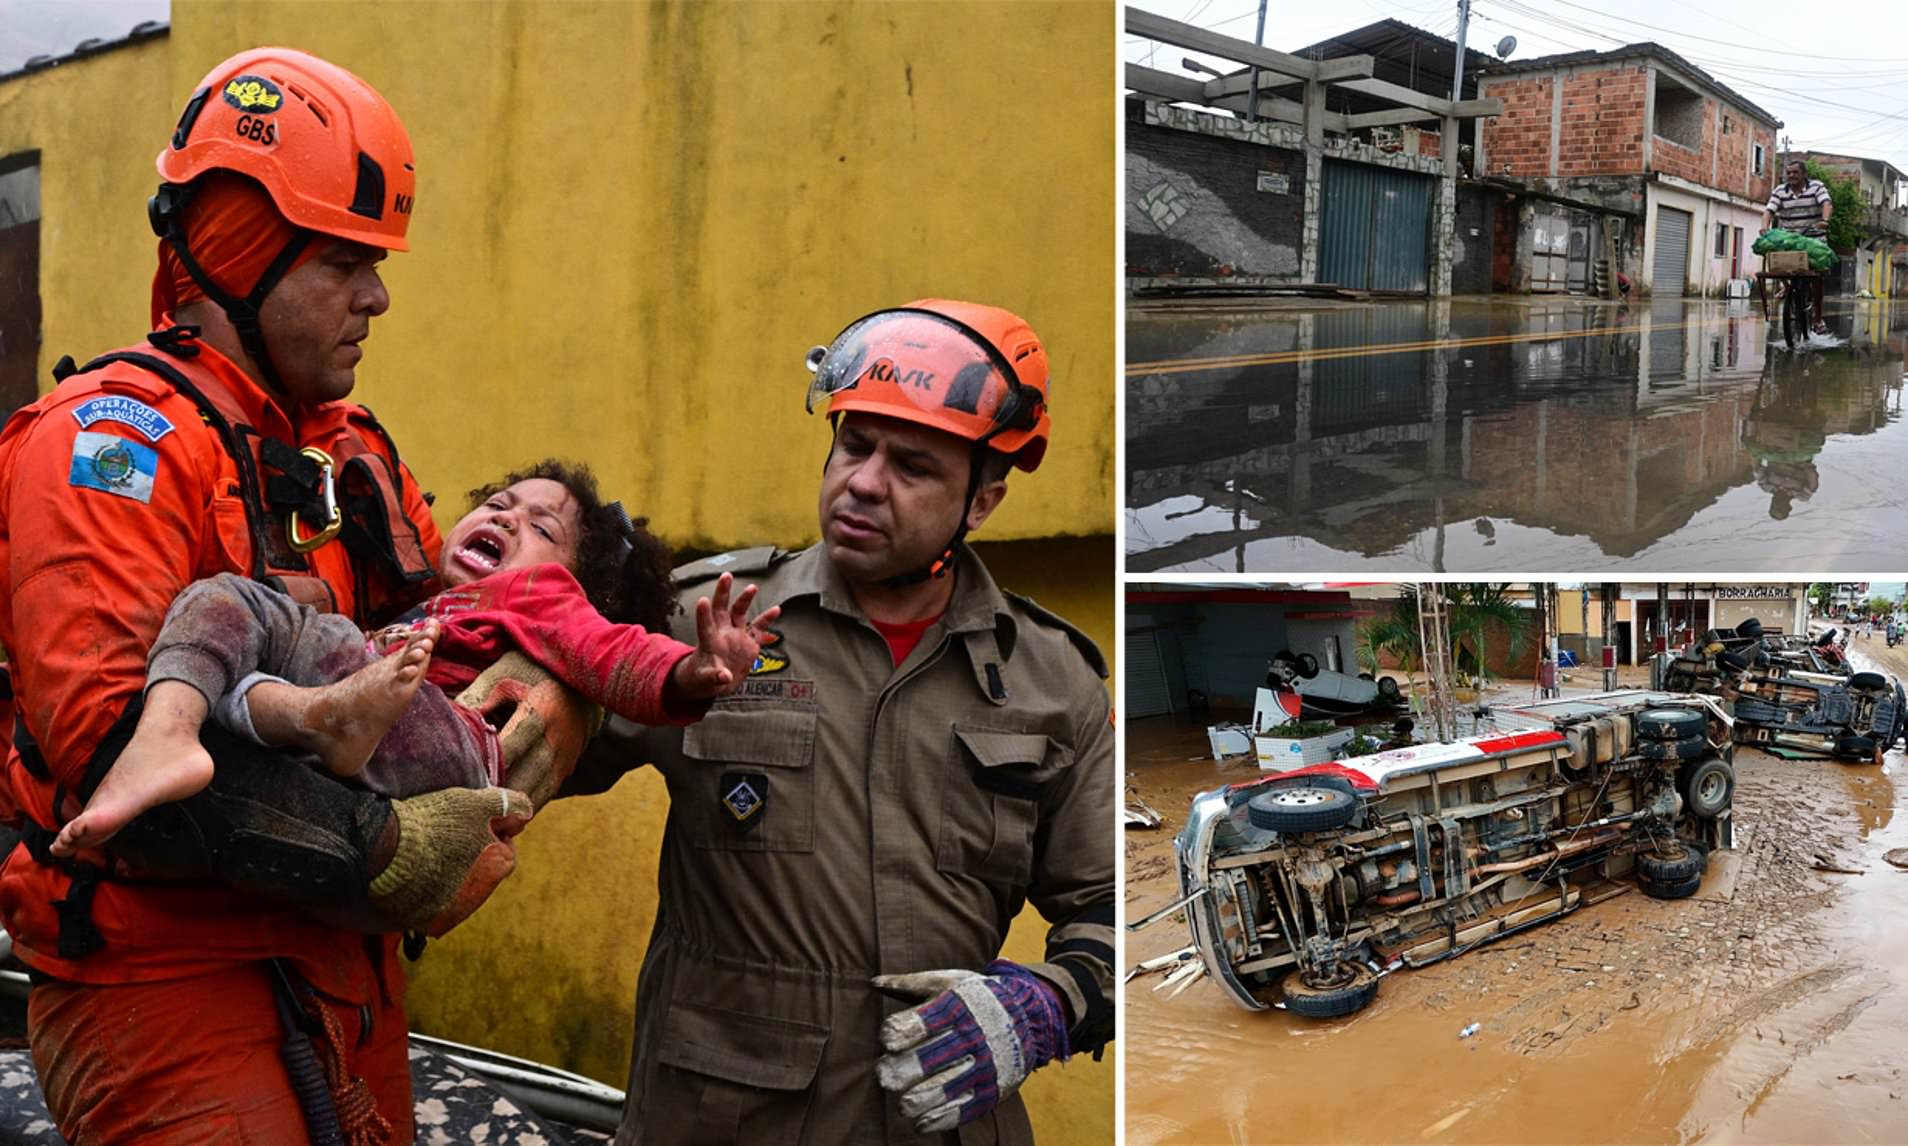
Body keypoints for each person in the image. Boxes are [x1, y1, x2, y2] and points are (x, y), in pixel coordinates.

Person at [0, 48, 527, 1142]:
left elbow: (463, 653)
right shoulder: (112, 446)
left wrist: (565, 700)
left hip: (350, 977)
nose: (377, 295)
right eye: (344, 260)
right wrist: (390, 847)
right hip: (168, 989)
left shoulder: (354, 455)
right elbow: (112, 758)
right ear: (239, 250)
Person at [565, 300, 1114, 1144]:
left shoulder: (1053, 682)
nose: (863, 481)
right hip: (726, 1121)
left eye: (913, 466)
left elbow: (1117, 903)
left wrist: (1045, 1003)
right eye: (854, 445)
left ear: (983, 501)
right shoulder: (704, 621)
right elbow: (510, 759)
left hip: (947, 1118)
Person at [48, 461, 780, 858]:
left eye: (539, 523)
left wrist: (694, 673)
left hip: (448, 747)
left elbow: (617, 656)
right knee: (239, 647)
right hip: (373, 743)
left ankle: (245, 723)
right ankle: (245, 727)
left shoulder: (540, 593)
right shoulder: (425, 612)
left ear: (575, 578)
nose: (504, 515)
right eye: (498, 501)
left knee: (261, 621)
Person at [1764, 159, 1834, 335]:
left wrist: (1824, 221)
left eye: (1795, 172)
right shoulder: (1780, 191)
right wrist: (1765, 226)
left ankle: (1818, 319)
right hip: (1789, 238)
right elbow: (1769, 211)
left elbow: (1826, 204)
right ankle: (1787, 287)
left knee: (1817, 276)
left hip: (1814, 238)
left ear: (1804, 174)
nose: (1791, 176)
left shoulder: (1817, 187)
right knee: (1774, 255)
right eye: (1789, 173)